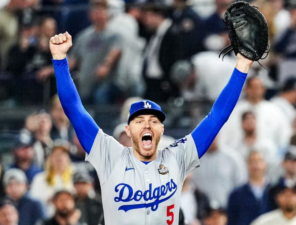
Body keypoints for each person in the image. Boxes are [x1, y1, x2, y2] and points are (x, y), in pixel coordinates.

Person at [49, 31, 253, 224]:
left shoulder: (178, 156)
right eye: (139, 121)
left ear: (162, 130)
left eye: (153, 121)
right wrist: (59, 61)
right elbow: (74, 109)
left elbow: (217, 116)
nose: (147, 125)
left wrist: (242, 67)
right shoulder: (109, 155)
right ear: (128, 131)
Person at [219, 76, 292, 156]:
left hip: (269, 158)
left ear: (264, 89)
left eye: (258, 87)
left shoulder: (275, 112)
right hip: (239, 157)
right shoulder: (233, 112)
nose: (255, 91)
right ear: (246, 89)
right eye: (252, 88)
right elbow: (224, 139)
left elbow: (284, 139)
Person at [68, 0, 122, 104]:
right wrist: (55, 69)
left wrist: (106, 65)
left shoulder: (114, 34)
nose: (98, 15)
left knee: (100, 98)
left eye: (101, 11)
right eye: (95, 11)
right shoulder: (83, 36)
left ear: (107, 13)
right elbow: (72, 60)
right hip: (85, 83)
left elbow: (116, 50)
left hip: (106, 83)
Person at [191, 137, 247, 207]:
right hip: (203, 212)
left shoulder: (232, 157)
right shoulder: (194, 159)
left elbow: (241, 185)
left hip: (228, 209)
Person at [30, 142, 74, 217]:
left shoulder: (73, 178)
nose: (60, 158)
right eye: (56, 154)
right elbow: (33, 204)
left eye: (63, 154)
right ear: (50, 158)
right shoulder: (40, 179)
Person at [227, 151, 270, 225]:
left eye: (259, 161)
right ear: (247, 165)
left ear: (265, 164)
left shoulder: (275, 191)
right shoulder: (236, 195)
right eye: (252, 162)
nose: (256, 165)